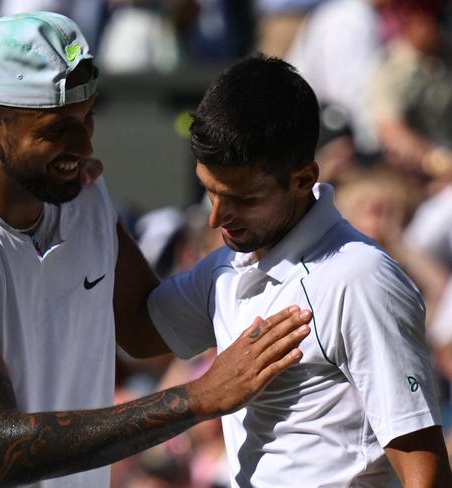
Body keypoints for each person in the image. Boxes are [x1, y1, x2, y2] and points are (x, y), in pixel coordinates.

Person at [0, 12, 312, 488]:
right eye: (57, 129)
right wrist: (196, 398)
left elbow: (143, 327)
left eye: (87, 116)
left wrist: (276, 252)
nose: (85, 141)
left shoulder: (84, 196)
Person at [146, 55, 452, 486]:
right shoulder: (227, 265)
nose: (217, 218)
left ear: (303, 178)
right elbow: (140, 333)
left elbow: (427, 474)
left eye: (244, 198)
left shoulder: (361, 279)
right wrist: (88, 202)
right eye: (209, 192)